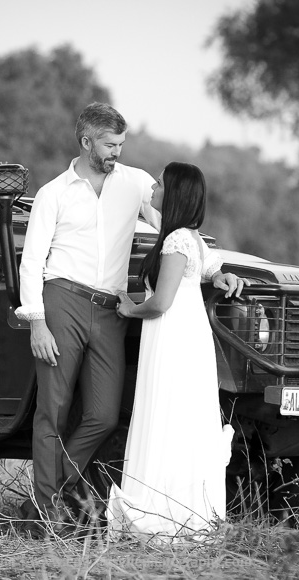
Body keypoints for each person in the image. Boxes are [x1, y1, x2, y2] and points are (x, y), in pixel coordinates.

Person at [14, 102, 161, 534]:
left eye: (121, 143)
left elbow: (176, 229)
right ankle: (45, 515)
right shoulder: (53, 192)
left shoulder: (135, 183)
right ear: (86, 141)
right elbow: (33, 261)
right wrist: (36, 321)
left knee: (103, 414)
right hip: (62, 302)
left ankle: (48, 495)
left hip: (111, 309)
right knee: (53, 412)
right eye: (110, 144)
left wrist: (213, 268)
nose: (117, 151)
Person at [106, 161, 246, 543]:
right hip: (186, 337)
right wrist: (219, 275)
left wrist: (129, 308)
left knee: (165, 414)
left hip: (171, 336)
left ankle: (164, 511)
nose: (153, 189)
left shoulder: (176, 241)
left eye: (160, 185)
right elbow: (204, 267)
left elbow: (161, 301)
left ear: (175, 194)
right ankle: (187, 509)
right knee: (180, 417)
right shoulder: (189, 237)